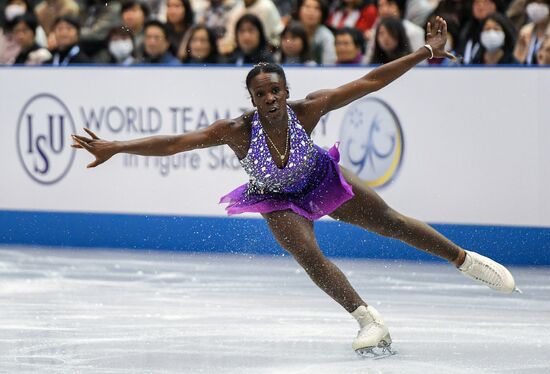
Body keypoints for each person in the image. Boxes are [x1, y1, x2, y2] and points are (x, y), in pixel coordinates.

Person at [71, 17, 518, 357]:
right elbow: (174, 143)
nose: (269, 99)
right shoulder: (236, 131)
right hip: (276, 199)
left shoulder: (309, 110)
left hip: (319, 178)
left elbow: (370, 81)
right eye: (261, 93)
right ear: (252, 99)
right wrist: (118, 147)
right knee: (307, 252)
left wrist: (425, 51)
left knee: (390, 222)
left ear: (286, 92)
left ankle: (466, 261)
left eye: (275, 91)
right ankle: (367, 319)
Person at [293, 0, 336, 64]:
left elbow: (329, 65)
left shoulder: (326, 36)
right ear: (299, 10)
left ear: (322, 13)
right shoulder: (291, 30)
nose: (311, 12)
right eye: (307, 7)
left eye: (316, 8)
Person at [514, 0, 550, 64]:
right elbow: (517, 59)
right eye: (532, 3)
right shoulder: (524, 31)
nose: (535, 6)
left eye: (539, 3)